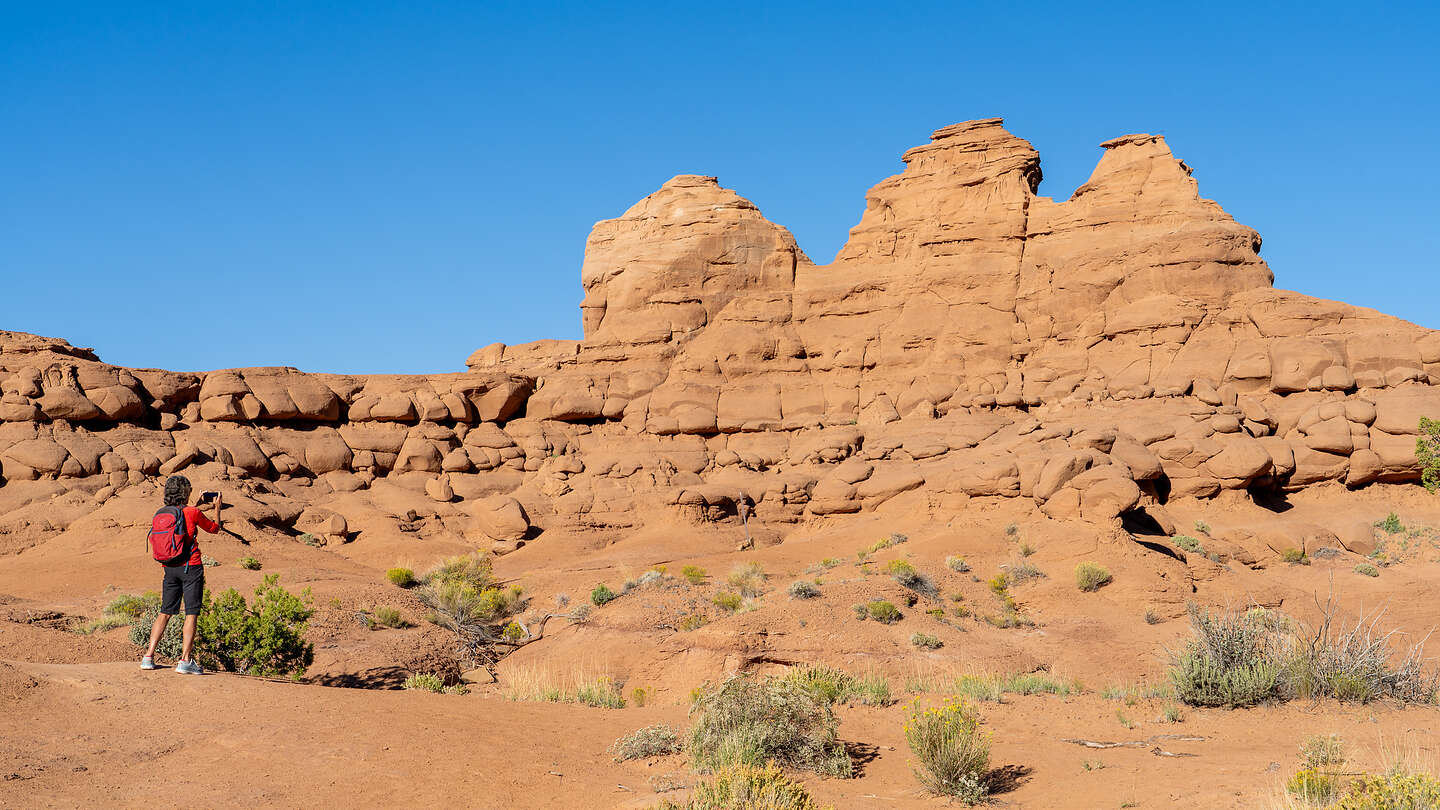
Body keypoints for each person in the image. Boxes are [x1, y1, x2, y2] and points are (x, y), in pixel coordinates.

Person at [140, 475, 222, 674]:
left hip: (169, 568)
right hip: (190, 567)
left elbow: (182, 517)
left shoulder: (162, 512)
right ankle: (185, 661)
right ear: (186, 492)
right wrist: (217, 508)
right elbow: (214, 529)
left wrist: (197, 505)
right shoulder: (193, 512)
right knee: (191, 613)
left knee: (165, 611)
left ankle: (148, 657)